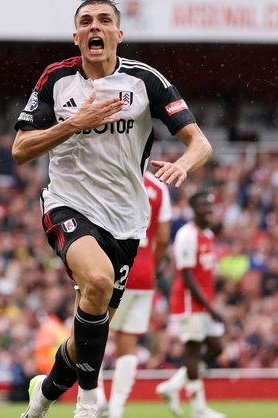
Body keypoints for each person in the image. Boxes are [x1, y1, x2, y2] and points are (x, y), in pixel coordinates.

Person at [12, 0, 212, 418]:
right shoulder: (56, 79)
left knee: (90, 322)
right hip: (68, 203)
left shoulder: (145, 81)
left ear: (119, 34)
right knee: (98, 281)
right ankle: (88, 402)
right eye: (86, 21)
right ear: (76, 35)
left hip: (126, 220)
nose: (95, 27)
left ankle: (43, 396)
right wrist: (74, 123)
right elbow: (20, 149)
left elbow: (200, 143)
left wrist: (185, 165)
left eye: (104, 20)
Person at [104, 170, 171, 418]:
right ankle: (117, 409)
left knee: (92, 332)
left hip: (111, 266)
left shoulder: (112, 175)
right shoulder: (158, 188)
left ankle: (96, 397)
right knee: (128, 344)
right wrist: (151, 266)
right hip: (143, 272)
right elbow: (163, 238)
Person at [155, 192, 225, 418]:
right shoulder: (187, 235)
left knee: (216, 348)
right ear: (194, 209)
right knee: (192, 352)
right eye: (203, 205)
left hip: (204, 303)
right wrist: (210, 306)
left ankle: (174, 385)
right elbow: (187, 276)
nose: (208, 210)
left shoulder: (207, 234)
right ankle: (198, 409)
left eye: (210, 205)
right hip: (188, 302)